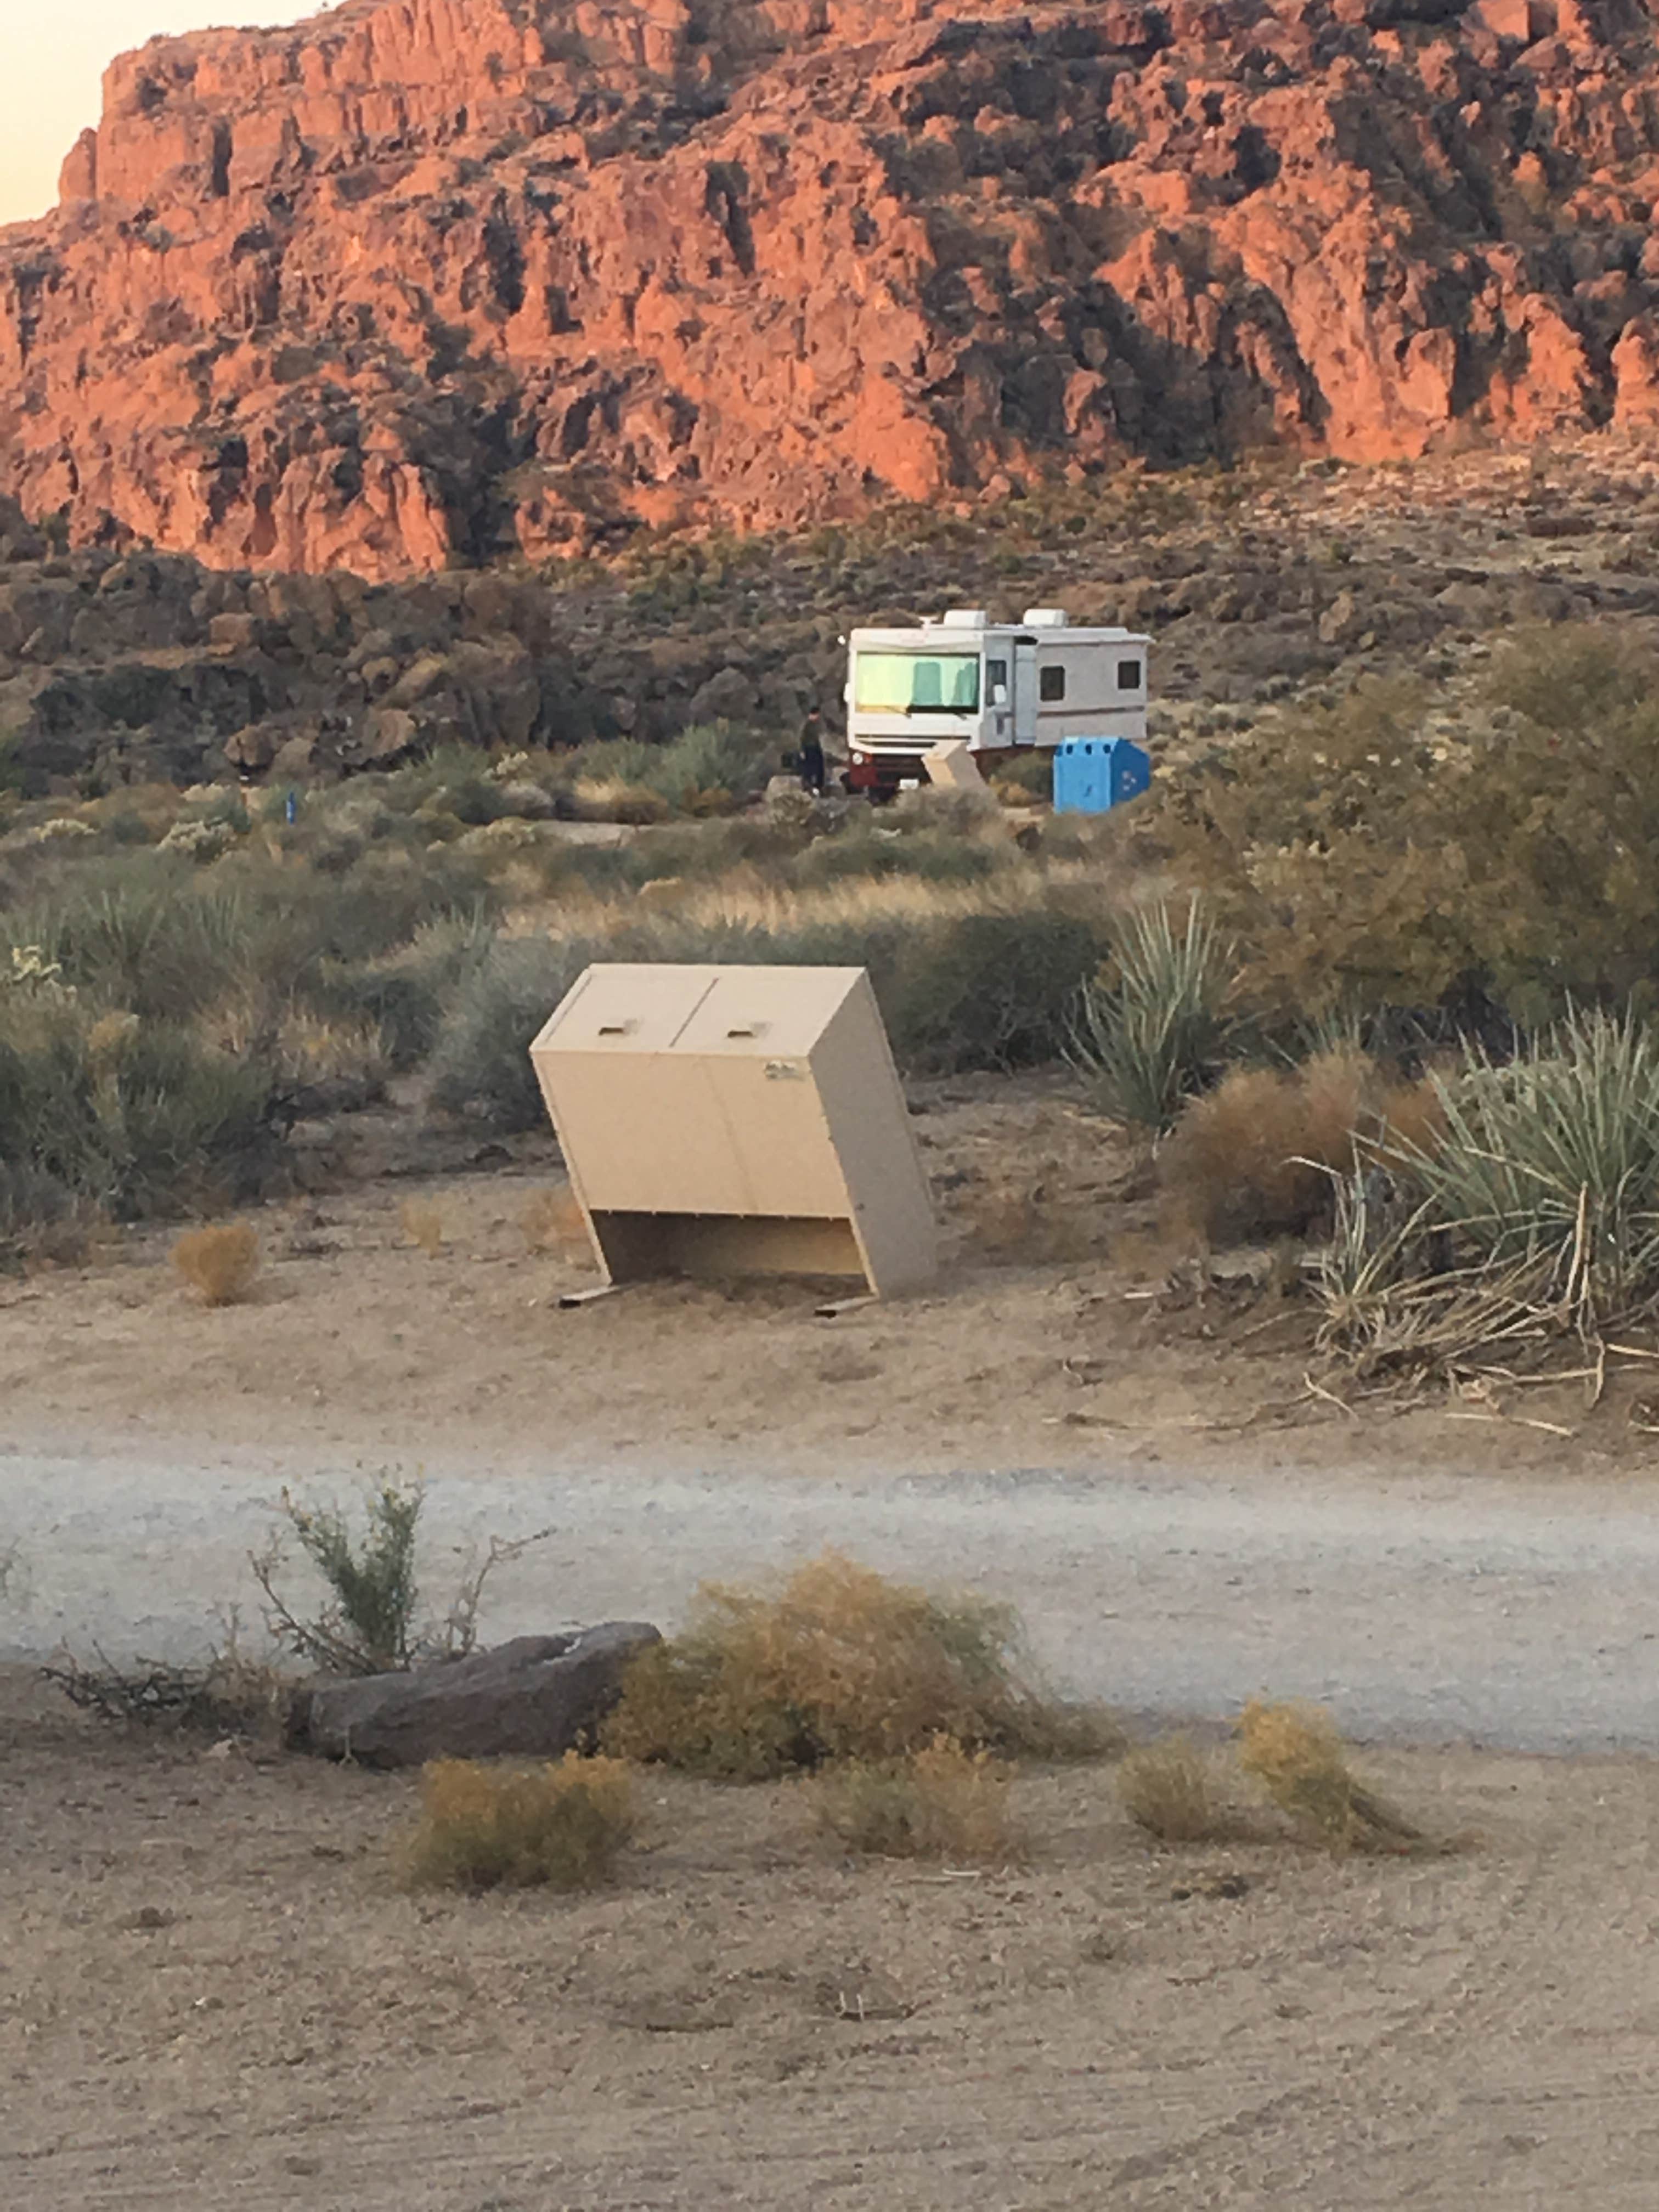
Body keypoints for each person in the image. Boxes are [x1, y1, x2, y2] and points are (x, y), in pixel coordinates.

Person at [798, 709, 827, 795]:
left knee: (819, 768)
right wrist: (802, 751)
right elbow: (802, 739)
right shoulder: (807, 725)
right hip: (809, 749)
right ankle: (808, 786)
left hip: (816, 748)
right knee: (809, 769)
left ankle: (818, 786)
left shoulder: (816, 725)